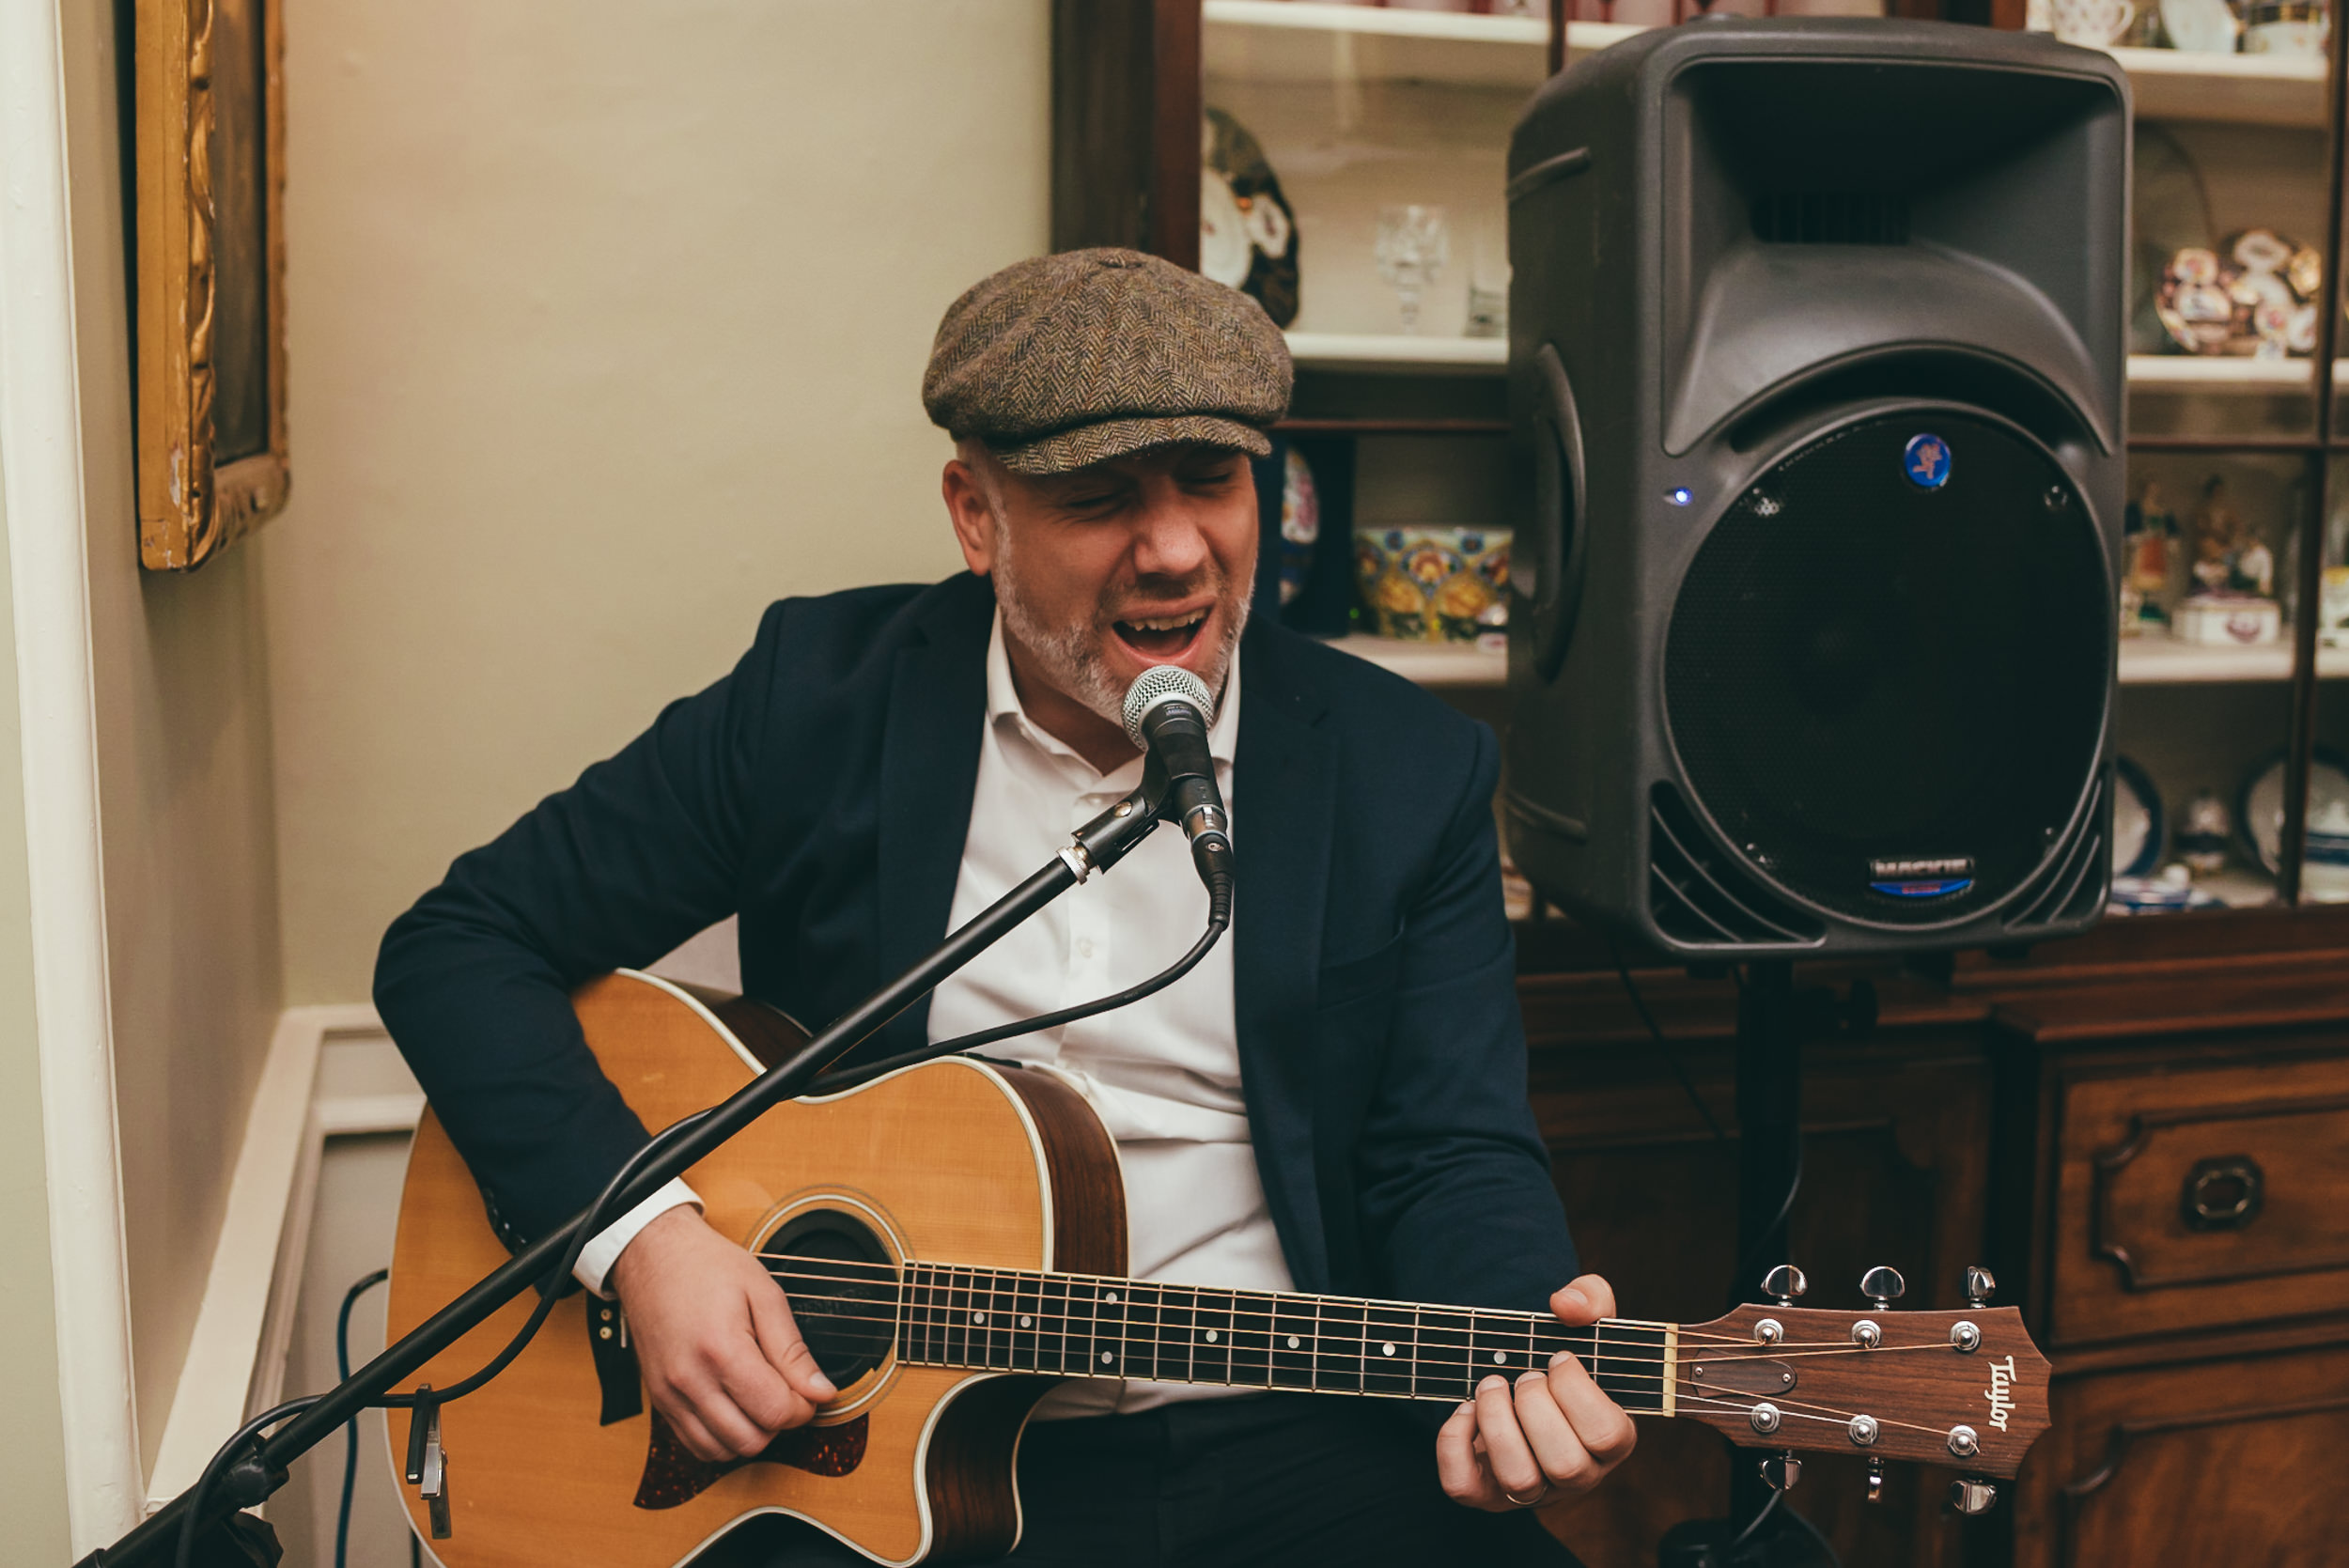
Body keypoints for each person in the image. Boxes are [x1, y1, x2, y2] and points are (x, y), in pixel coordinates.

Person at [375, 248, 1632, 1566]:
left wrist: (1511, 1351)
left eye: (1213, 480)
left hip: (1286, 1431)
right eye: (1100, 499)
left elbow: (1451, 1146)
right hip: (865, 1443)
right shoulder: (817, 697)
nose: (1175, 551)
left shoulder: (1406, 768)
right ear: (975, 515)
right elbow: (459, 946)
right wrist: (644, 1240)